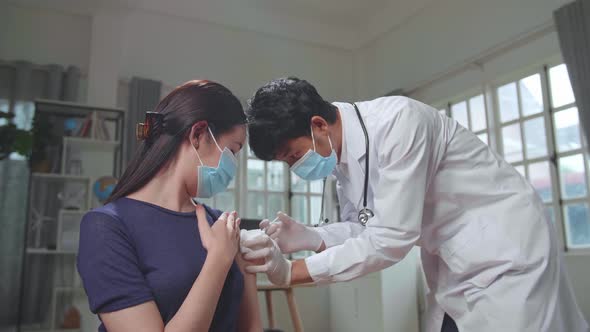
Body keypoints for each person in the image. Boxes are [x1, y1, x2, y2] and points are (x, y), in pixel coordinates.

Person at [242, 77, 589, 332]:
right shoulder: (342, 158)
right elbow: (366, 226)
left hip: (505, 248)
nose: (296, 167)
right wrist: (308, 236)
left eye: (294, 156)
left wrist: (292, 272)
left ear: (318, 125)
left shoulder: (398, 122)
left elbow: (391, 238)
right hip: (455, 258)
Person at [77, 80, 262, 332]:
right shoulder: (105, 227)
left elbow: (251, 327)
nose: (233, 167)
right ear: (198, 134)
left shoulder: (221, 225)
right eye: (232, 150)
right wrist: (218, 259)